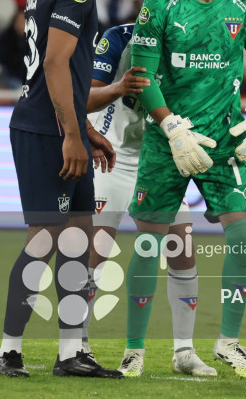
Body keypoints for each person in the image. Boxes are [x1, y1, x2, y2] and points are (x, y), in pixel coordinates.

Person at [122, 0, 246, 380]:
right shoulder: (159, 3)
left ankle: (228, 341)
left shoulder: (245, 5)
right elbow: (142, 76)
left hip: (225, 139)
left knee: (244, 233)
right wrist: (171, 128)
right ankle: (134, 350)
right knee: (150, 241)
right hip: (168, 140)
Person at [0, 0, 123, 379]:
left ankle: (71, 353)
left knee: (78, 239)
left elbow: (61, 67)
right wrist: (72, 133)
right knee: (45, 238)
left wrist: (84, 131)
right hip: (45, 129)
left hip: (55, 124)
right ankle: (8, 351)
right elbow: (53, 62)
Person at [82, 22, 216, 377]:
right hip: (111, 158)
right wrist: (118, 88)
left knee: (181, 250)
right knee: (95, 250)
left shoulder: (195, 45)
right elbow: (87, 94)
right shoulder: (117, 39)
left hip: (159, 160)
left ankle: (184, 352)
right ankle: (77, 345)